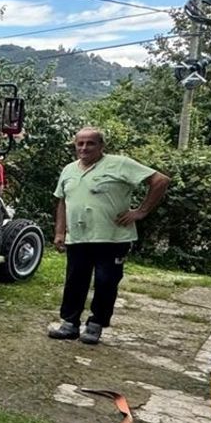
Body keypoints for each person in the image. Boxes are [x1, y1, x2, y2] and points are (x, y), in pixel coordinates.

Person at [47, 127, 169, 345]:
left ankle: (95, 324)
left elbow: (160, 180)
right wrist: (59, 232)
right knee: (75, 281)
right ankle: (69, 324)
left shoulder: (120, 164)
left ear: (101, 146)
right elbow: (63, 201)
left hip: (112, 238)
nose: (84, 148)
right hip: (78, 237)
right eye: (80, 143)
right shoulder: (68, 170)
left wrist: (141, 211)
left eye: (90, 143)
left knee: (105, 282)